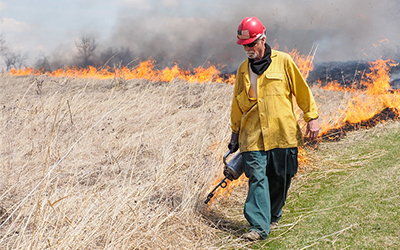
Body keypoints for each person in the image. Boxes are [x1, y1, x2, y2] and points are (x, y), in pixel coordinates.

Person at [228, 16, 320, 241]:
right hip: (253, 136)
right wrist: (235, 132)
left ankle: (272, 215)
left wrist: (312, 118)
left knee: (281, 177)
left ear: (263, 39)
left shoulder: (284, 61)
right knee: (257, 178)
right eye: (244, 46)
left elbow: (302, 90)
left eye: (251, 44)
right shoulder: (242, 71)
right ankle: (258, 227)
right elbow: (237, 103)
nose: (248, 49)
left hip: (282, 133)